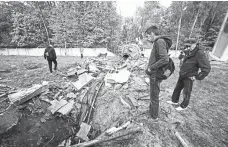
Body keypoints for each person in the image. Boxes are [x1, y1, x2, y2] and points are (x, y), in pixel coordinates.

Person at [167, 39, 211, 111]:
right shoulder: (187, 51)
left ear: (194, 44)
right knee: (177, 88)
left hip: (190, 76)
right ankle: (174, 101)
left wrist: (197, 77)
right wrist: (182, 54)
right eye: (186, 46)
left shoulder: (199, 53)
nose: (187, 47)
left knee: (186, 92)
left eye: (188, 46)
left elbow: (207, 68)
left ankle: (184, 106)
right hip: (182, 74)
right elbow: (180, 58)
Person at [144, 25, 172, 120]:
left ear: (152, 33)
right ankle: (152, 111)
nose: (147, 39)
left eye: (147, 36)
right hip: (155, 73)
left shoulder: (159, 42)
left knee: (154, 95)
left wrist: (151, 67)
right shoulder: (159, 42)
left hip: (155, 74)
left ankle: (154, 117)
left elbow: (165, 59)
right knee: (153, 94)